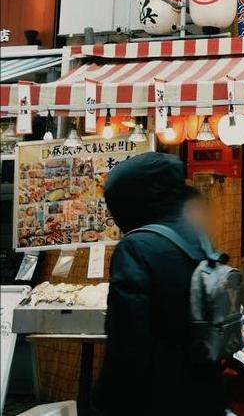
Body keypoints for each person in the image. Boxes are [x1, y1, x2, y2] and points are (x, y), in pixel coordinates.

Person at [94, 152, 226, 416]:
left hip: (156, 392)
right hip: (204, 382)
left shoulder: (136, 246)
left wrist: (109, 399)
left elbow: (129, 337)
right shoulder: (197, 236)